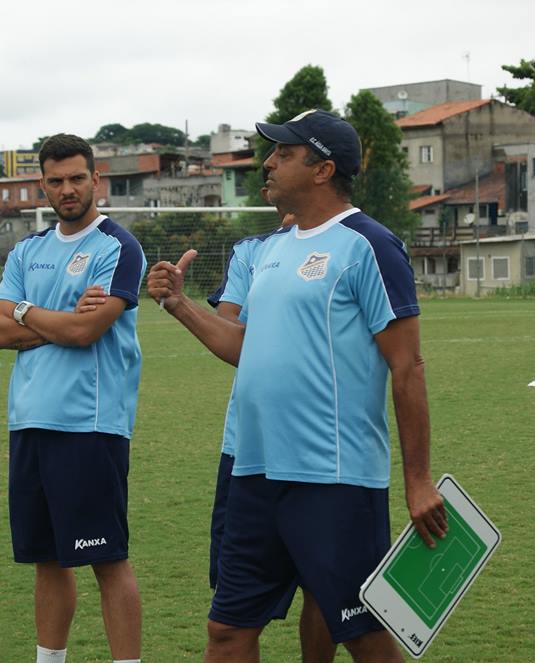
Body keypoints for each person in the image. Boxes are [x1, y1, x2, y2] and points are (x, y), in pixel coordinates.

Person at [147, 109, 448, 663]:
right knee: (227, 630)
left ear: (322, 169)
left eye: (283, 154)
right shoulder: (272, 249)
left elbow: (407, 368)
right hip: (254, 474)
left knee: (362, 633)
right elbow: (246, 347)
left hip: (332, 477)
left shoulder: (369, 245)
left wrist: (419, 479)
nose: (269, 162)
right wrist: (179, 305)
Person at [0, 134, 147, 663]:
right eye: (55, 180)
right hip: (29, 420)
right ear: (42, 185)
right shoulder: (25, 250)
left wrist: (24, 311)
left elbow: (87, 333)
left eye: (77, 177)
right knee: (46, 561)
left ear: (96, 180)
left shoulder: (117, 247)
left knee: (108, 560)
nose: (67, 189)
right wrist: (51, 317)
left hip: (89, 424)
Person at [204, 165, 337, 663]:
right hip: (246, 451)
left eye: (285, 154)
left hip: (322, 453)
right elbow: (231, 335)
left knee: (326, 592)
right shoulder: (250, 252)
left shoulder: (352, 244)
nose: (271, 167)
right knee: (234, 610)